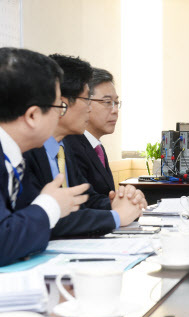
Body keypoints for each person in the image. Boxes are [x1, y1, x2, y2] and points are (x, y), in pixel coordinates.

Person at [22, 54, 146, 238]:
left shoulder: (63, 147)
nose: (89, 108)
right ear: (61, 102)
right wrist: (116, 216)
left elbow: (86, 198)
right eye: (86, 100)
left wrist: (121, 202)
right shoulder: (28, 151)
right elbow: (46, 219)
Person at [0, 48, 90, 266]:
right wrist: (50, 205)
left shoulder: (15, 158)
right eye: (59, 106)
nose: (61, 113)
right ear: (32, 115)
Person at [66, 68, 118, 196]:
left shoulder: (96, 147)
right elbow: (86, 201)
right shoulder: (71, 146)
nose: (115, 110)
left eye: (116, 102)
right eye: (107, 102)